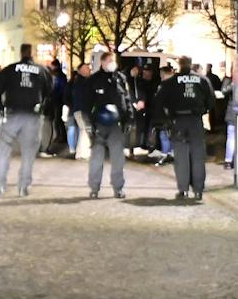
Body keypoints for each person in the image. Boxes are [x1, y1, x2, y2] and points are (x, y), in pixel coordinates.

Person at [0, 43, 52, 196]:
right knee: (29, 152)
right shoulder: (42, 71)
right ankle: (24, 186)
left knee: (3, 149)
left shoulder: (10, 70)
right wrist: (42, 105)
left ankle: (0, 185)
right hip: (33, 115)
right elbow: (49, 90)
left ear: (20, 53)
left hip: (12, 113)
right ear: (32, 53)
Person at [84, 50, 140, 199]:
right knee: (96, 159)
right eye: (109, 61)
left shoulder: (120, 78)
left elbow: (126, 100)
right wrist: (89, 124)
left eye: (113, 61)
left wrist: (129, 119)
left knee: (118, 159)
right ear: (102, 62)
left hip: (117, 125)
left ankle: (118, 188)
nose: (111, 63)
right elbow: (87, 104)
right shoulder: (94, 80)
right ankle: (94, 188)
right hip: (99, 125)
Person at [153, 55, 210, 201]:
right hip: (196, 121)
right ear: (190, 65)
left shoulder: (171, 82)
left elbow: (159, 101)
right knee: (198, 156)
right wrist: (202, 111)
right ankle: (198, 190)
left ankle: (183, 190)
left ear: (179, 64)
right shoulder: (202, 80)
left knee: (181, 157)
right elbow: (211, 101)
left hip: (178, 121)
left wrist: (165, 120)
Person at [67, 61, 93, 159]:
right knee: (84, 131)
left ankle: (81, 152)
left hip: (79, 110)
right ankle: (83, 153)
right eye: (87, 68)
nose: (89, 70)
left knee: (83, 131)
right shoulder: (83, 83)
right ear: (81, 71)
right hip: (82, 110)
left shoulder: (78, 82)